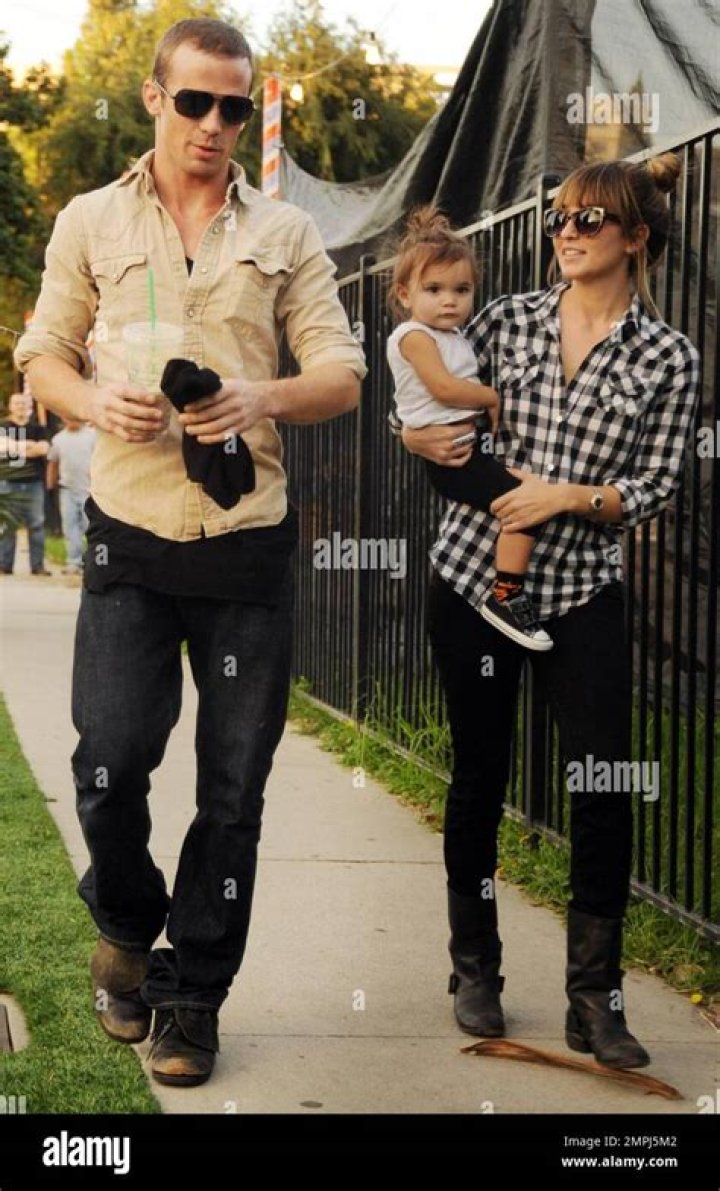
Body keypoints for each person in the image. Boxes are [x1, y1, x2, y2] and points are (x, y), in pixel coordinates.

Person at [15, 17, 365, 1088]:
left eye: (235, 106)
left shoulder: (288, 232)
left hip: (245, 540)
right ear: (155, 99)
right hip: (129, 530)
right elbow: (42, 353)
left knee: (233, 789)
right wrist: (89, 403)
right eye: (196, 101)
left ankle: (194, 996)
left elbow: (342, 373)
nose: (214, 123)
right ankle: (127, 920)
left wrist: (262, 396)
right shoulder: (89, 218)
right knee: (110, 755)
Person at [392, 152, 699, 1068]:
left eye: (589, 219)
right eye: (560, 216)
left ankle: (595, 1000)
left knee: (602, 783)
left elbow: (657, 483)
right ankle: (475, 968)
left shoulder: (668, 357)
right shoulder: (505, 320)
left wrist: (569, 497)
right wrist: (410, 434)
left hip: (581, 593)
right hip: (472, 581)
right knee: (478, 775)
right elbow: (424, 397)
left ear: (635, 237)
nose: (567, 231)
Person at [386, 206, 552, 651]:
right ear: (404, 294)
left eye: (461, 290)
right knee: (526, 508)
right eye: (434, 289)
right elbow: (442, 388)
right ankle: (506, 594)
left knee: (532, 495)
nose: (450, 300)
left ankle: (506, 590)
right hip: (451, 460)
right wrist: (490, 398)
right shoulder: (414, 336)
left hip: (466, 450)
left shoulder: (454, 335)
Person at [0, 392, 50, 575]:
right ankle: (4, 565)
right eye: (16, 403)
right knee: (7, 525)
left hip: (34, 482)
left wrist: (14, 447)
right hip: (7, 482)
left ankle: (37, 566)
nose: (20, 406)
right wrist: (28, 446)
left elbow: (43, 449)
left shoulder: (38, 428)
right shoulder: (3, 426)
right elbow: (1, 449)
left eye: (23, 403)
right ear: (10, 406)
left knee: (36, 524)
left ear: (29, 406)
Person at [46, 418, 96, 574]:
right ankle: (73, 561)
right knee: (70, 526)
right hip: (67, 489)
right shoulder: (58, 439)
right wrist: (50, 485)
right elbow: (53, 463)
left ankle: (93, 562)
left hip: (90, 490)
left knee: (90, 527)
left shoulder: (92, 435)